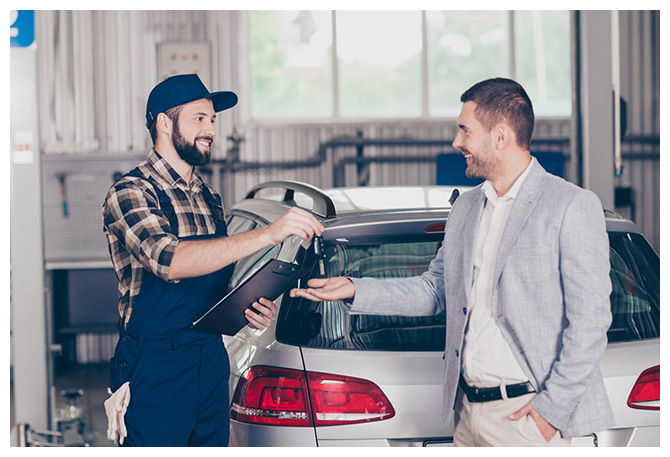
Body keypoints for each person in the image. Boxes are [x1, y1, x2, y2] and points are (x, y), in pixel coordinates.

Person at [291, 77, 615, 446]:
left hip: (526, 416)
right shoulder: (466, 207)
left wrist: (550, 413)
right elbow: (434, 290)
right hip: (467, 414)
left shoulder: (570, 205)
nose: (456, 142)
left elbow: (591, 320)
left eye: (465, 130)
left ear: (500, 136)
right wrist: (354, 289)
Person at [102, 74, 324, 447]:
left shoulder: (208, 196)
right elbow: (168, 260)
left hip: (209, 356)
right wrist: (269, 234)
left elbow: (213, 278)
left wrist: (245, 308)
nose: (210, 130)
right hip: (155, 366)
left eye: (212, 121)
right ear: (164, 122)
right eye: (199, 119)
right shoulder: (131, 192)